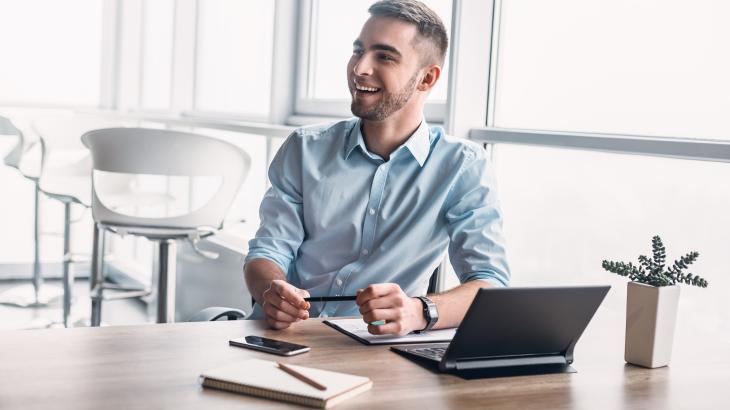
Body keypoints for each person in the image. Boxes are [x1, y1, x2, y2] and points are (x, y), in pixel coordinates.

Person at [244, 0, 509, 335]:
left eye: (384, 56)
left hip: (373, 346)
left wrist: (419, 311)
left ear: (426, 78)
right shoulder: (304, 148)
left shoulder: (462, 167)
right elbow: (267, 251)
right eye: (358, 50)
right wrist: (271, 291)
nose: (359, 68)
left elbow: (490, 282)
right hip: (284, 335)